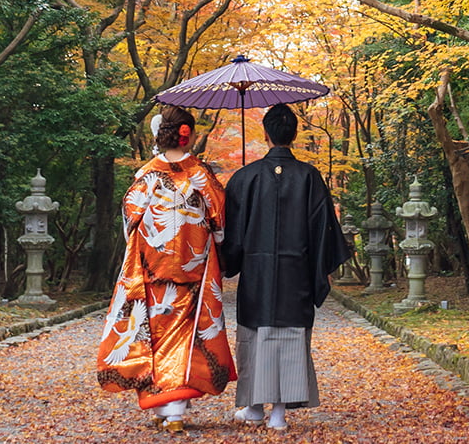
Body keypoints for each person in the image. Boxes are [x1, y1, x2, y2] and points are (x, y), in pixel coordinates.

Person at [95, 104, 236, 433]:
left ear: (163, 135)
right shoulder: (202, 174)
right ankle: (173, 411)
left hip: (152, 266)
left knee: (152, 330)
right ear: (188, 137)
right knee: (187, 333)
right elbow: (220, 222)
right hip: (193, 265)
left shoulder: (145, 175)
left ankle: (162, 405)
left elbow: (130, 223)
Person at [220, 102, 352, 433]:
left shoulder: (243, 178)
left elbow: (232, 236)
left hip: (257, 276)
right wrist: (320, 270)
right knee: (290, 339)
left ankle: (253, 406)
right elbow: (324, 232)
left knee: (257, 337)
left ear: (265, 134)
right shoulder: (310, 177)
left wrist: (229, 262)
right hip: (297, 277)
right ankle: (277, 413)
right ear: (294, 135)